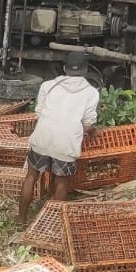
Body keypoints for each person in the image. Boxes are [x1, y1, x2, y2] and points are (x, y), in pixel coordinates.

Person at [18, 51, 99, 224]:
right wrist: (93, 131)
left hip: (43, 137)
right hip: (66, 144)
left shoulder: (48, 85)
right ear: (86, 70)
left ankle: (21, 218)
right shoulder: (91, 93)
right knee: (61, 184)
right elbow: (88, 123)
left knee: (31, 176)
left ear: (64, 68)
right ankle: (52, 225)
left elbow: (38, 113)